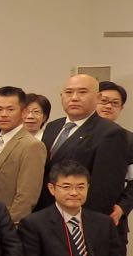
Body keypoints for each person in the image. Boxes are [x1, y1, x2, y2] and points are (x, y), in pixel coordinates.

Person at [36, 73, 128, 216]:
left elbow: (104, 189)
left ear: (97, 97)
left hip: (78, 216)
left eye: (82, 92)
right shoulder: (53, 126)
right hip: (44, 214)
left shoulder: (110, 133)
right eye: (68, 92)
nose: (74, 98)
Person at [0, 86, 46, 224]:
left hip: (7, 223)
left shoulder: (32, 145)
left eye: (10, 109)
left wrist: (8, 224)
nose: (3, 114)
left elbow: (27, 196)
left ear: (23, 112)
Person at [96, 81, 133, 241]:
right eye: (103, 101)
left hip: (112, 217)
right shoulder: (75, 135)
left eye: (115, 103)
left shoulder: (129, 139)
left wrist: (122, 208)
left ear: (121, 108)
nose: (108, 106)